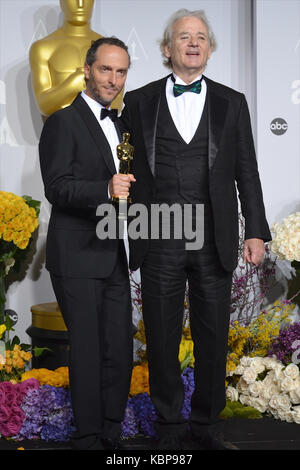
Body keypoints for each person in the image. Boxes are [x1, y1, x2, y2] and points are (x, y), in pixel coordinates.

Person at [121, 9, 271, 450]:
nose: (192, 43)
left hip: (214, 237)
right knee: (161, 335)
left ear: (209, 48)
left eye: (200, 37)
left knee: (212, 335)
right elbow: (122, 170)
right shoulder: (139, 100)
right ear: (167, 49)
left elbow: (248, 170)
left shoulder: (233, 101)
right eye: (183, 37)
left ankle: (206, 425)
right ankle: (169, 426)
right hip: (158, 235)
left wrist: (255, 231)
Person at [39, 37, 135, 450]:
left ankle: (111, 430)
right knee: (88, 349)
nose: (113, 79)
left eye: (121, 71)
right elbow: (57, 188)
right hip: (76, 255)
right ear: (87, 70)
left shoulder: (123, 126)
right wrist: (105, 188)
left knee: (120, 347)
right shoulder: (63, 121)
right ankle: (88, 436)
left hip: (114, 252)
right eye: (105, 69)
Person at [30, 0, 123, 118]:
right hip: (60, 132)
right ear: (62, 2)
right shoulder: (43, 48)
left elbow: (117, 105)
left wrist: (90, 86)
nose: (80, 4)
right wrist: (72, 85)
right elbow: (43, 105)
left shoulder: (109, 48)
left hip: (99, 130)